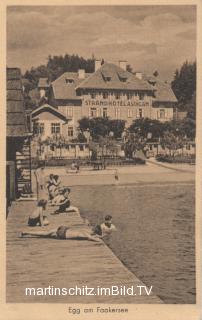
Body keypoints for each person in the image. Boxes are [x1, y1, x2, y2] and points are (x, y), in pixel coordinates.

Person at [20, 225, 102, 242]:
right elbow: (92, 238)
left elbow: (93, 235)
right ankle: (26, 232)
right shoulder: (86, 233)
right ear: (94, 232)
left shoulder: (86, 229)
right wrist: (99, 239)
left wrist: (97, 236)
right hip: (63, 234)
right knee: (44, 234)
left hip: (64, 228)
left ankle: (26, 232)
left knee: (45, 233)